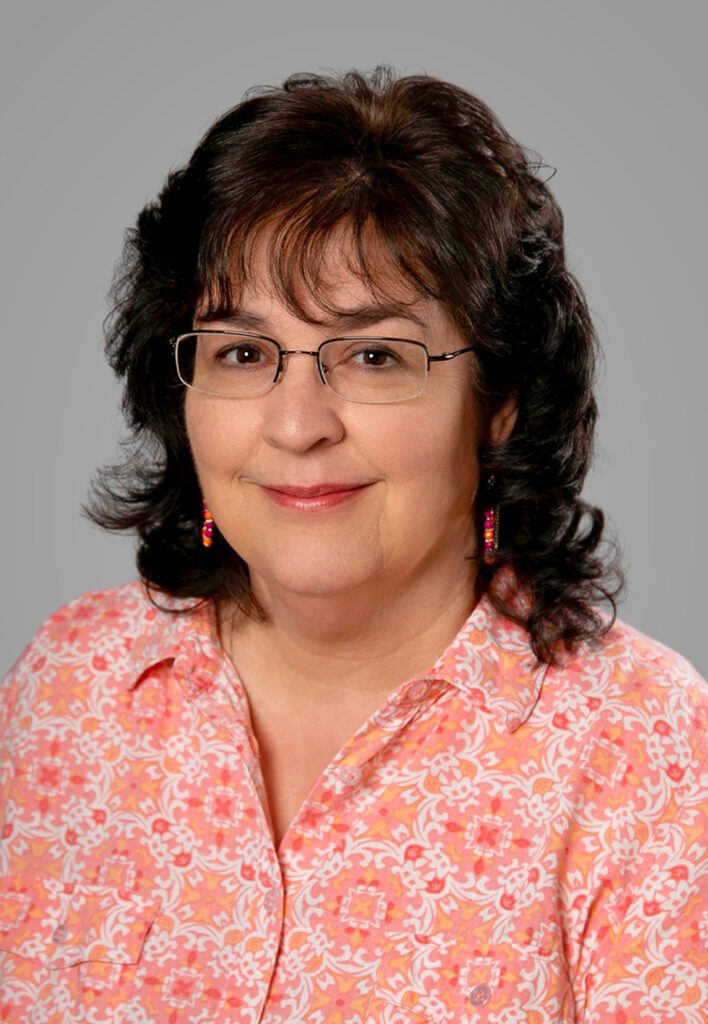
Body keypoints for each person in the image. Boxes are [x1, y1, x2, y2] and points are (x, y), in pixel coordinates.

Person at [0, 67, 704, 1024]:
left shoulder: (649, 750)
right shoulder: (70, 687)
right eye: (242, 353)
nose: (297, 425)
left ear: (498, 401)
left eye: (374, 356)